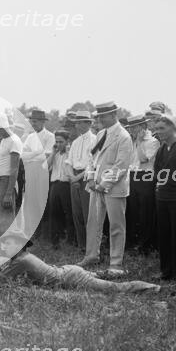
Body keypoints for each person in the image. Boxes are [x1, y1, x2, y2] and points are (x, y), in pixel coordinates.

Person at [0, 230, 161, 293]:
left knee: (114, 289)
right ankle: (124, 272)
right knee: (104, 277)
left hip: (72, 277)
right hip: (69, 272)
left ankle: (154, 288)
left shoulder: (21, 261)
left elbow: (2, 279)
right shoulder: (22, 258)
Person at [77, 102, 133, 276]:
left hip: (114, 188)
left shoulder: (123, 136)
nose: (100, 119)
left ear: (114, 115)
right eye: (99, 116)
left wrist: (104, 184)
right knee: (93, 222)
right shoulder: (101, 134)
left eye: (103, 116)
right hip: (96, 187)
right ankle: (91, 255)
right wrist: (92, 177)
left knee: (116, 225)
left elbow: (121, 166)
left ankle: (116, 263)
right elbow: (92, 158)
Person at [153, 116, 176, 280]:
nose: (158, 132)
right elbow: (157, 171)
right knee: (164, 234)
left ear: (173, 128)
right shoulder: (161, 149)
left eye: (162, 128)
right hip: (162, 196)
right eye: (157, 129)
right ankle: (166, 270)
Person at [125, 115, 160, 254]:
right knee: (134, 211)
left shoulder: (152, 141)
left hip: (145, 177)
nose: (133, 130)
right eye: (131, 128)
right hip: (133, 176)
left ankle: (146, 245)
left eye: (135, 127)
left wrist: (139, 142)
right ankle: (136, 243)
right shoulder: (132, 142)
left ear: (143, 127)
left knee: (146, 212)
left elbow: (143, 159)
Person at [65, 110, 97, 251]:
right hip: (74, 177)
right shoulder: (75, 142)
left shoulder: (95, 139)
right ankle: (81, 245)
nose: (77, 125)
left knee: (88, 214)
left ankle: (92, 247)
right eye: (76, 123)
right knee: (77, 213)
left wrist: (77, 177)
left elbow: (93, 164)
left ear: (88, 123)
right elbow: (68, 162)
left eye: (80, 122)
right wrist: (72, 177)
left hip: (87, 177)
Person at [20, 110, 55, 238]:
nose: (32, 124)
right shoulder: (30, 137)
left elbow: (46, 156)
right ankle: (31, 231)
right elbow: (23, 156)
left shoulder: (49, 136)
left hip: (42, 171)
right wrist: (36, 153)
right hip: (30, 170)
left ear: (42, 122)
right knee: (30, 201)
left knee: (41, 201)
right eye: (31, 121)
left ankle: (43, 233)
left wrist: (33, 155)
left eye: (34, 121)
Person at [0, 113, 22, 235]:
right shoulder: (4, 140)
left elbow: (14, 169)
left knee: (5, 218)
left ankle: (10, 248)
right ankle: (2, 247)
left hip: (6, 181)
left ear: (1, 127)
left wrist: (9, 192)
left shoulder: (14, 141)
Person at [46, 130, 75, 247]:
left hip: (66, 185)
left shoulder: (71, 153)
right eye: (56, 142)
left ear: (67, 142)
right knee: (54, 212)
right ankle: (55, 240)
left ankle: (70, 239)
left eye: (61, 142)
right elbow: (46, 166)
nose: (58, 144)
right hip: (55, 185)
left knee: (68, 212)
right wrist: (53, 152)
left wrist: (68, 152)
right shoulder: (55, 154)